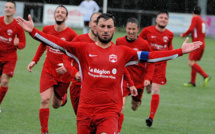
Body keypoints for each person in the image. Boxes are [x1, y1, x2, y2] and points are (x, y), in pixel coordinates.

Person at [17, 13, 202, 134]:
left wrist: (180, 51)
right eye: (102, 26)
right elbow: (56, 43)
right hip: (85, 110)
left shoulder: (123, 52)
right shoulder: (82, 49)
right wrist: (33, 31)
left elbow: (152, 56)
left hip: (109, 112)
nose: (105, 30)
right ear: (96, 28)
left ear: (114, 30)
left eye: (109, 27)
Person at [26, 5, 77, 134]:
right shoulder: (47, 29)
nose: (60, 14)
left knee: (56, 104)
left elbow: (75, 55)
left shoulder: (72, 34)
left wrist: (67, 67)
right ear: (54, 15)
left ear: (66, 17)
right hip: (48, 70)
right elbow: (43, 44)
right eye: (57, 12)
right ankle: (44, 131)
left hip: (64, 74)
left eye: (62, 12)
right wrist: (34, 60)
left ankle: (63, 98)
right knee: (44, 100)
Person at [116, 18, 154, 133]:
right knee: (120, 107)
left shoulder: (144, 44)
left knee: (134, 107)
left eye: (133, 29)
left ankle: (137, 100)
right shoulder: (119, 41)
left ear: (138, 29)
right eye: (129, 29)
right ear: (125, 29)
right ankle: (116, 131)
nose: (131, 31)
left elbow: (151, 62)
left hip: (138, 81)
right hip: (123, 79)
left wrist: (148, 78)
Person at [139, 10, 174, 127]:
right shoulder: (147, 30)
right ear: (156, 19)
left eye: (166, 18)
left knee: (155, 90)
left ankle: (151, 118)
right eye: (161, 17)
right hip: (147, 65)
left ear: (167, 21)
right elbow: (139, 43)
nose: (163, 19)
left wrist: (167, 56)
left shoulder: (170, 34)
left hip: (160, 66)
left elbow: (170, 49)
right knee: (147, 88)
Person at [63, 12, 101, 115]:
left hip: (98, 90)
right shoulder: (79, 40)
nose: (97, 25)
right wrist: (74, 72)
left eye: (100, 23)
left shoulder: (108, 45)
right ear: (89, 24)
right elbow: (65, 58)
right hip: (78, 87)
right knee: (83, 120)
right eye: (95, 22)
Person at [0, 1, 26, 113]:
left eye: (10, 7)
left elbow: (23, 43)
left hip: (10, 58)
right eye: (6, 7)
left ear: (15, 11)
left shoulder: (17, 26)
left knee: (4, 82)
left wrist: (18, 45)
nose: (8, 9)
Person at [181, 6, 211, 87]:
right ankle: (192, 82)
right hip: (202, 44)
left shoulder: (195, 18)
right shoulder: (202, 20)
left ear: (193, 12)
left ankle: (205, 76)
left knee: (190, 63)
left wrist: (183, 35)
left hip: (196, 44)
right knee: (193, 62)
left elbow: (191, 29)